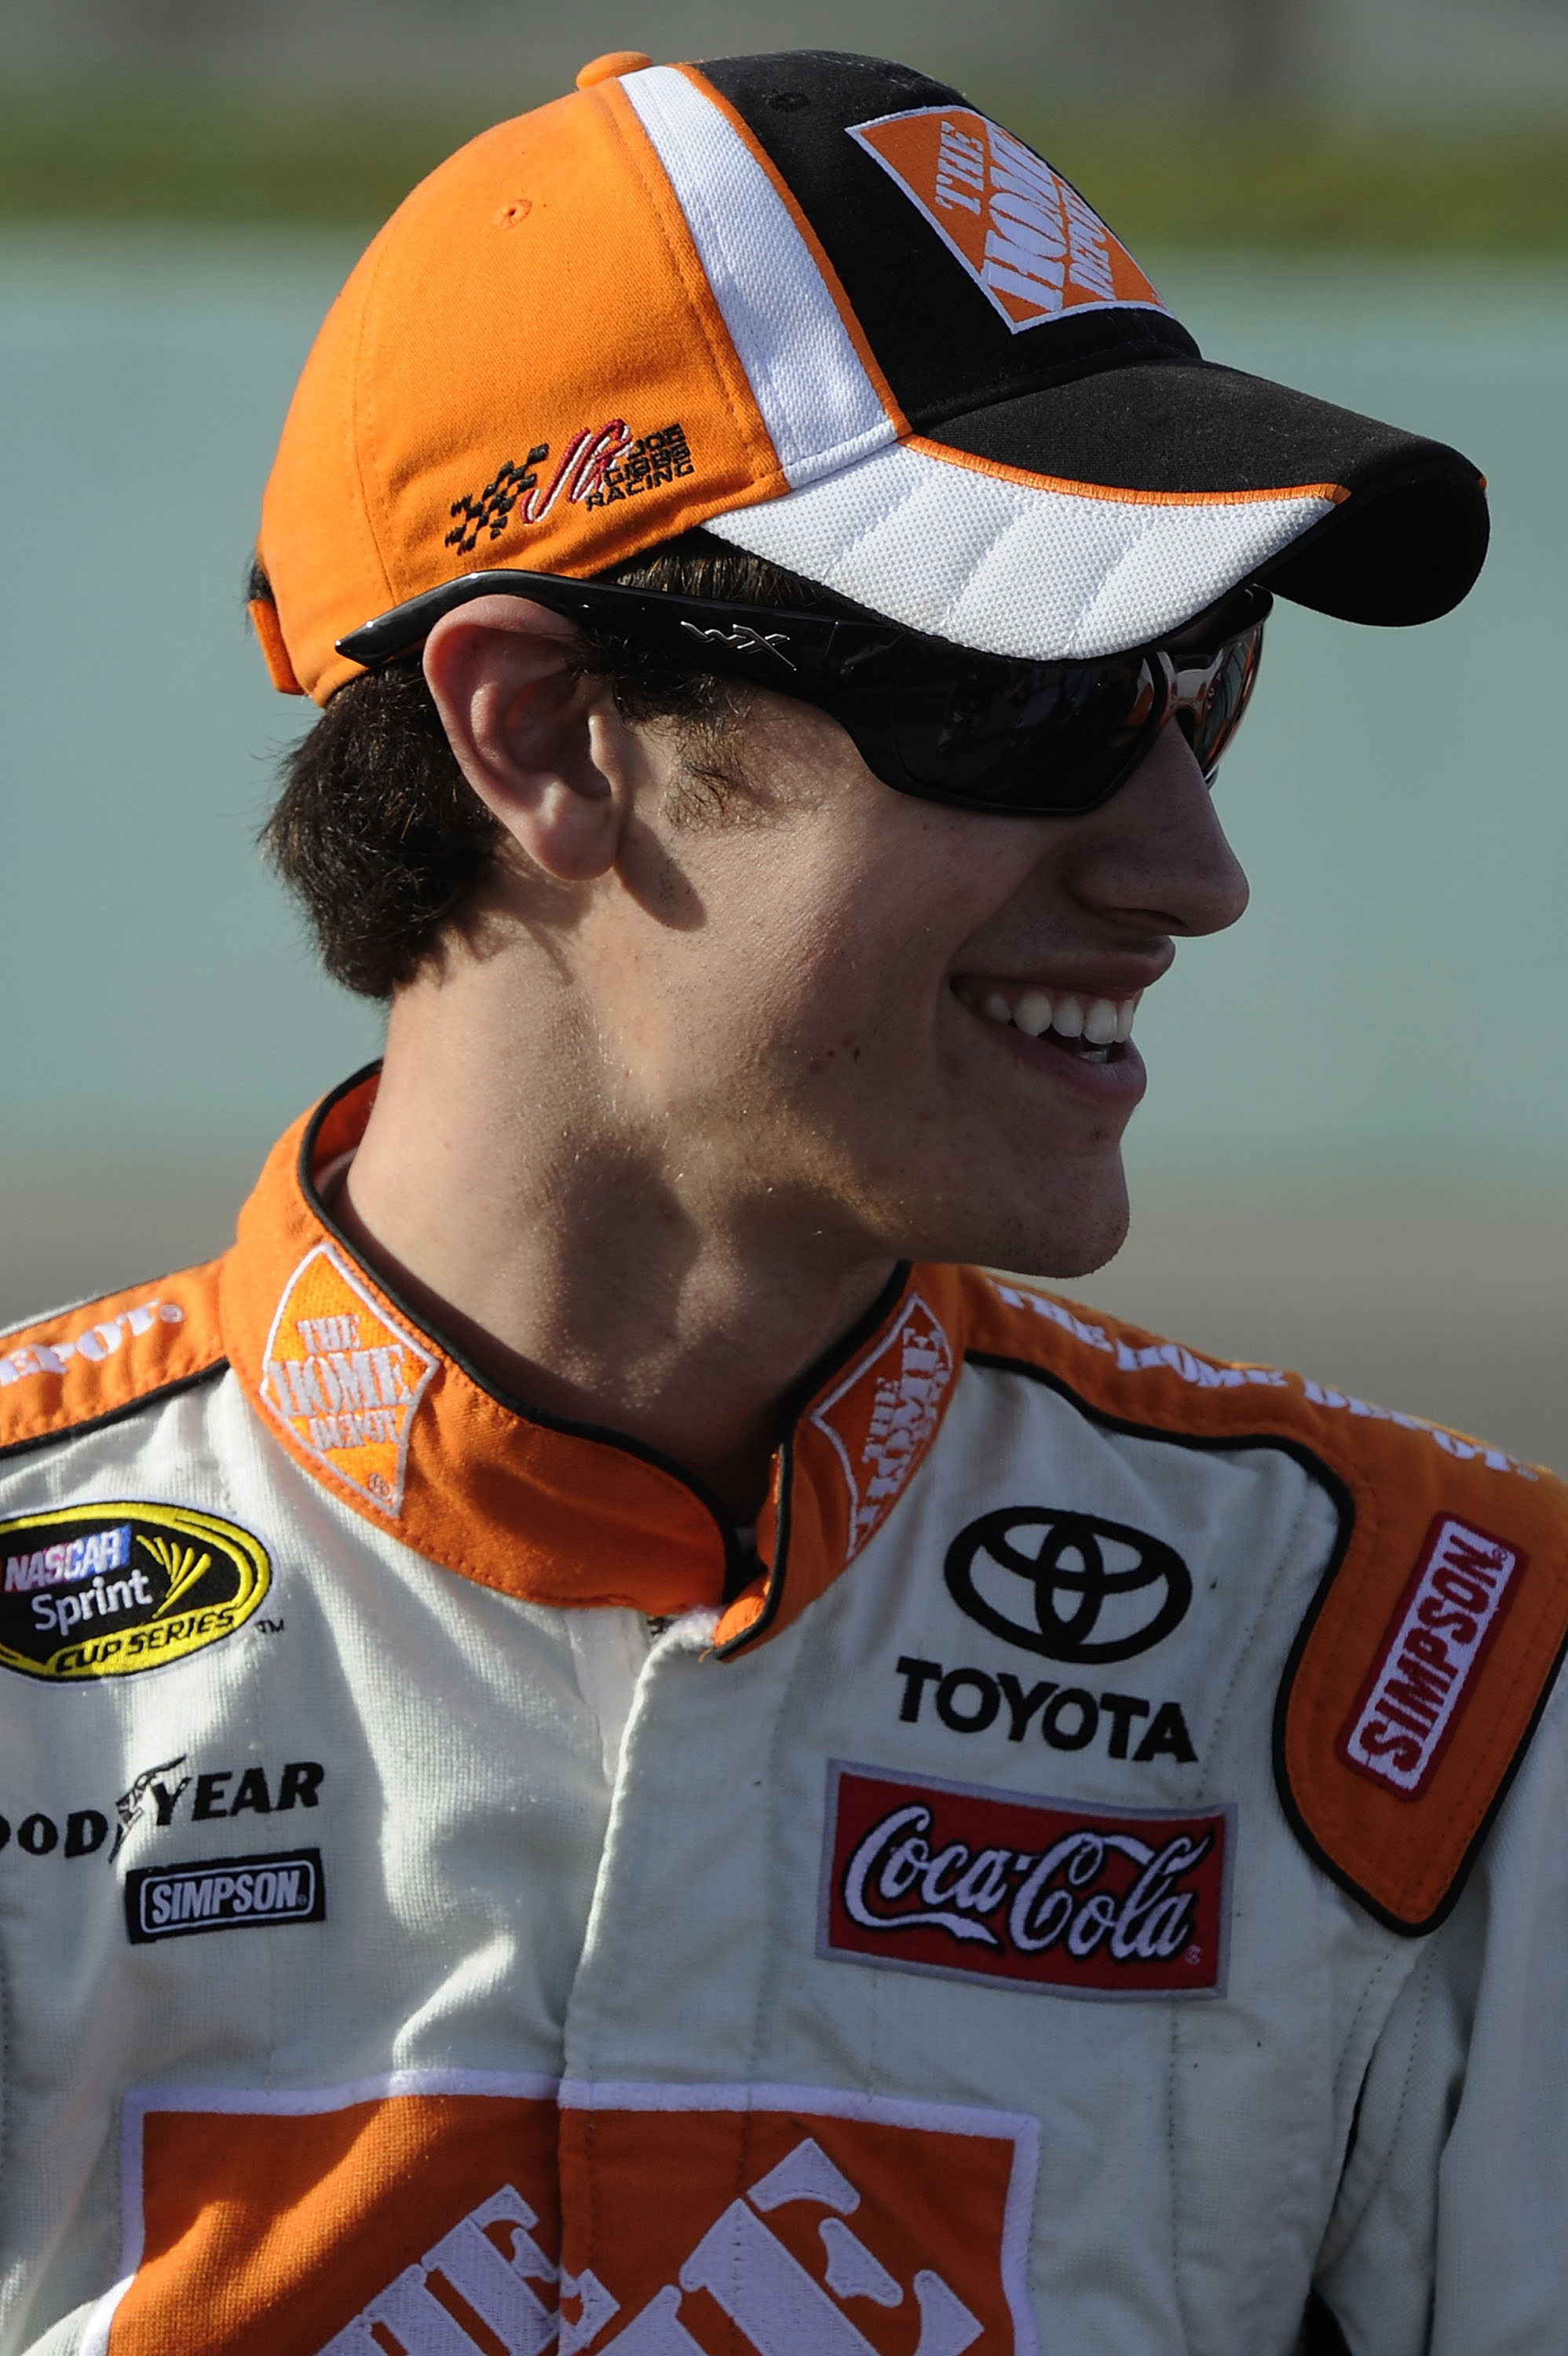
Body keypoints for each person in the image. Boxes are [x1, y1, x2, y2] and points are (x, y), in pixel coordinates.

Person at [0, 46, 1562, 2356]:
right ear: (537, 734)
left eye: (1202, 682)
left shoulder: (1436, 1690)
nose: (1191, 873)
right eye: (1036, 695)